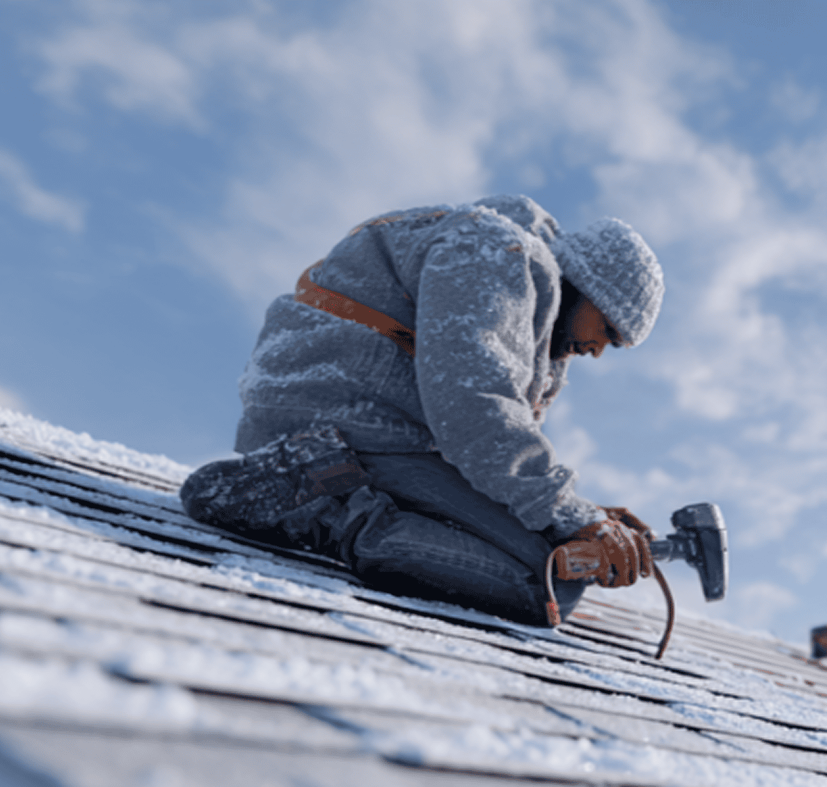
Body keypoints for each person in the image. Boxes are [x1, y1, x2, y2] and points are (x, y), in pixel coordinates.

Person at [180, 195, 665, 627]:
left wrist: (578, 518)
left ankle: (335, 493)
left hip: (380, 428)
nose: (600, 350)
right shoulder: (493, 252)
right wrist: (573, 516)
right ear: (587, 285)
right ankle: (321, 506)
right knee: (546, 582)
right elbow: (476, 413)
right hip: (338, 418)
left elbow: (487, 445)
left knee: (559, 562)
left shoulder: (529, 310)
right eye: (609, 330)